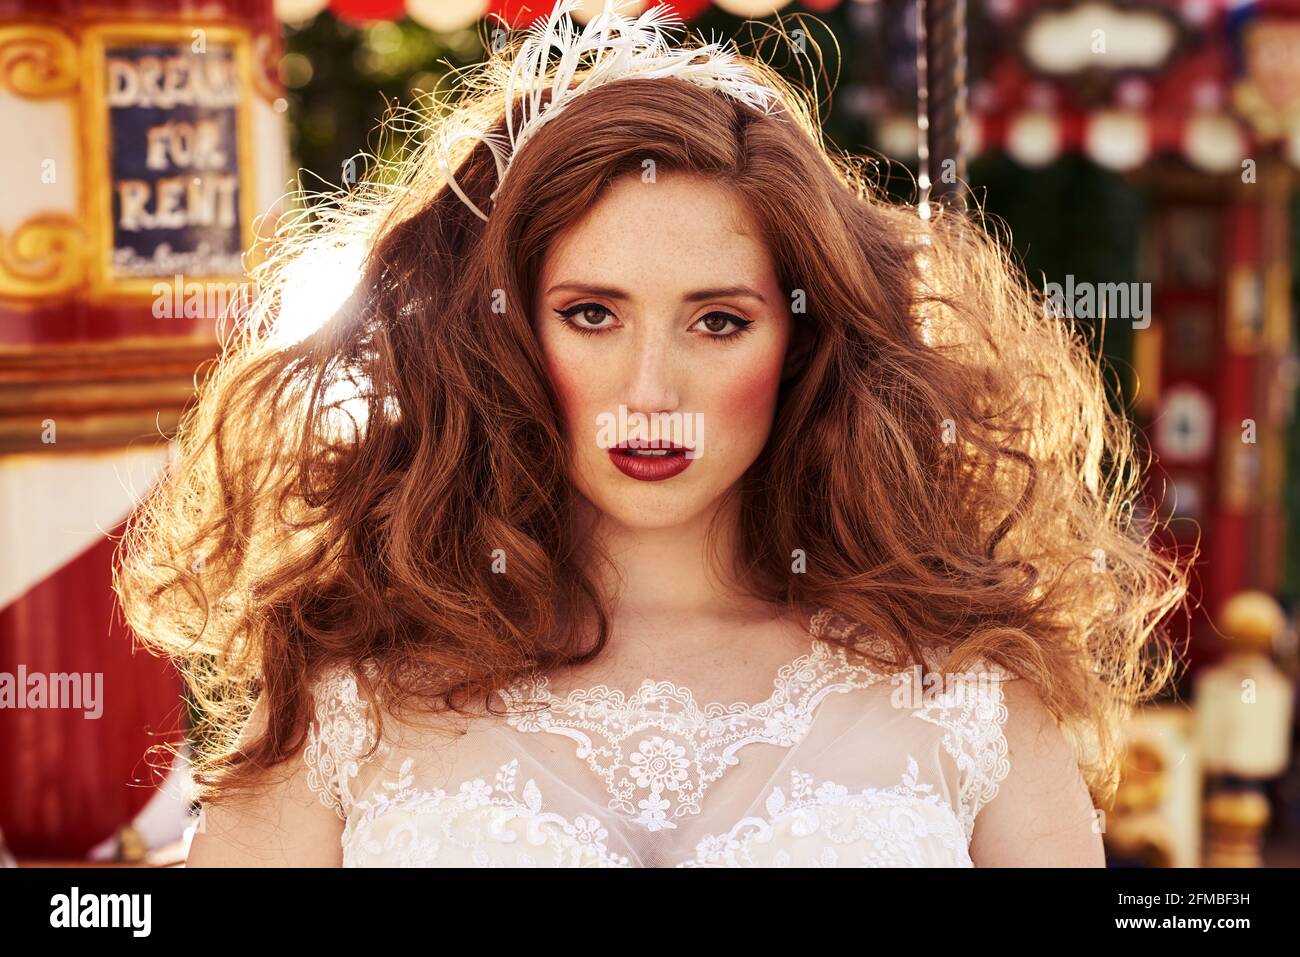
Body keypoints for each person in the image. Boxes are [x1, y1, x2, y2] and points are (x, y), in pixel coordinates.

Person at [115, 0, 1189, 867]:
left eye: (718, 322)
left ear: (808, 342)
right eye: (592, 315)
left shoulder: (967, 689)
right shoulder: (353, 686)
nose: (649, 385)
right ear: (498, 336)